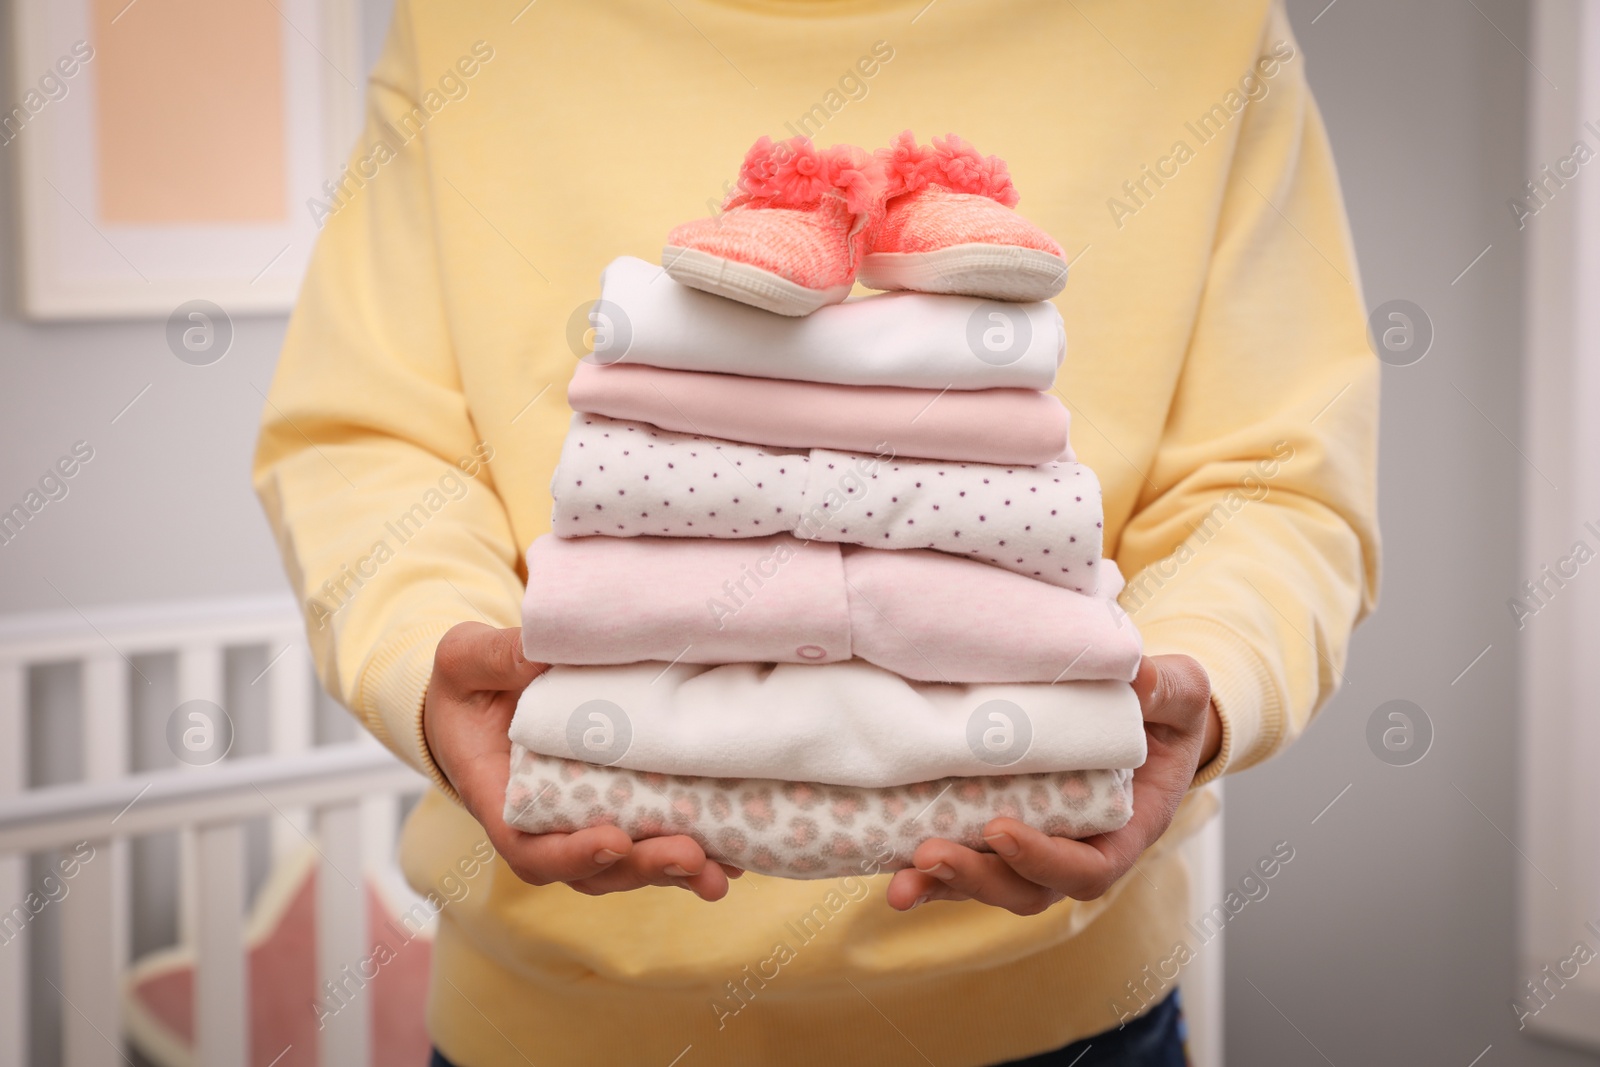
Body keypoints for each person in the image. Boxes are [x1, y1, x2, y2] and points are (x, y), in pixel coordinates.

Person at [253, 1, 1378, 1063]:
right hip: (555, 1024)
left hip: (1069, 1019)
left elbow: (1275, 470)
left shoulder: (1197, 27)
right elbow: (368, 436)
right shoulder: (474, 22)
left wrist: (1202, 686)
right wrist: (431, 652)